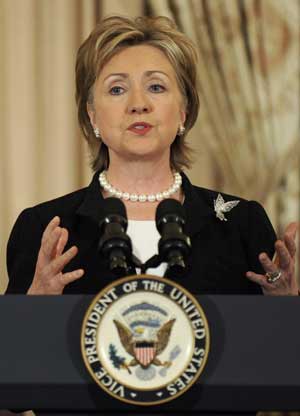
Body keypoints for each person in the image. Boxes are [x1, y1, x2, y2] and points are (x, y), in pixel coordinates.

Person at [6, 15, 298, 297]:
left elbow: (274, 342)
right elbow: (17, 345)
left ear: (183, 111)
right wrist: (33, 306)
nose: (138, 104)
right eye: (117, 89)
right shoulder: (46, 229)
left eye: (156, 87)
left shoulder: (241, 225)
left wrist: (287, 304)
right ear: (92, 116)